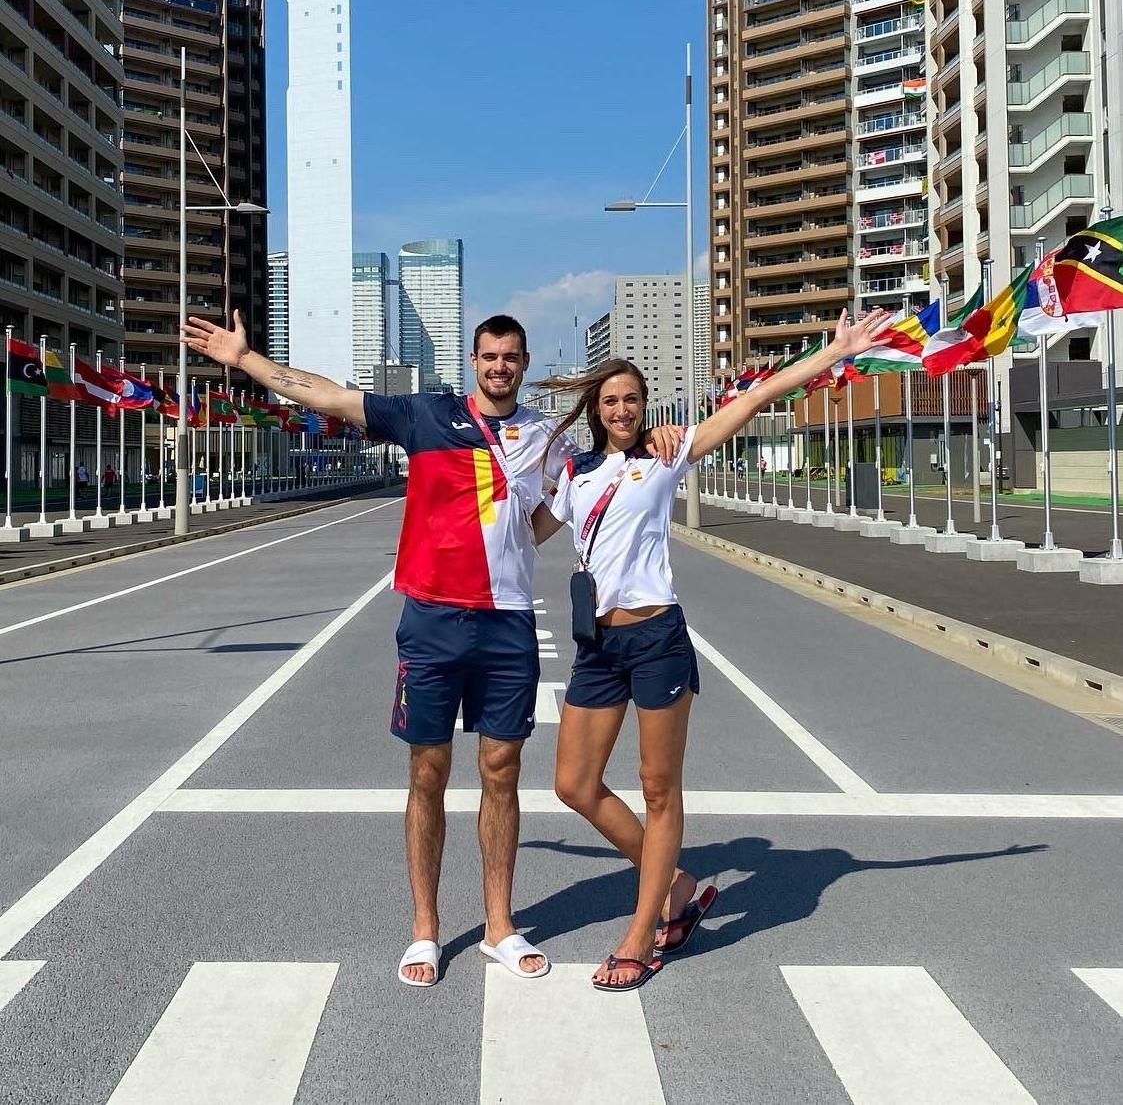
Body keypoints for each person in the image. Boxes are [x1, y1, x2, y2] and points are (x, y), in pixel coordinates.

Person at [180, 309, 681, 989]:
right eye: (488, 356)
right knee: (427, 772)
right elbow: (324, 392)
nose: (499, 366)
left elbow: (599, 466)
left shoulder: (544, 437)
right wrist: (247, 361)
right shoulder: (423, 415)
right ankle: (424, 928)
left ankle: (499, 926)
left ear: (523, 363)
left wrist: (654, 434)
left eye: (510, 356)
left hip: (506, 624)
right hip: (432, 621)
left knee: (501, 770)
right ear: (472, 361)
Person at [531, 308, 891, 991]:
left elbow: (753, 397)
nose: (621, 409)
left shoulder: (665, 456)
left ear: (643, 405)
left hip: (656, 638)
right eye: (609, 400)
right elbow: (527, 533)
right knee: (573, 783)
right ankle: (677, 881)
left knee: (657, 789)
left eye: (631, 398)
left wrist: (832, 352)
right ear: (593, 408)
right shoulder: (574, 476)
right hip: (597, 643)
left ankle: (642, 935)